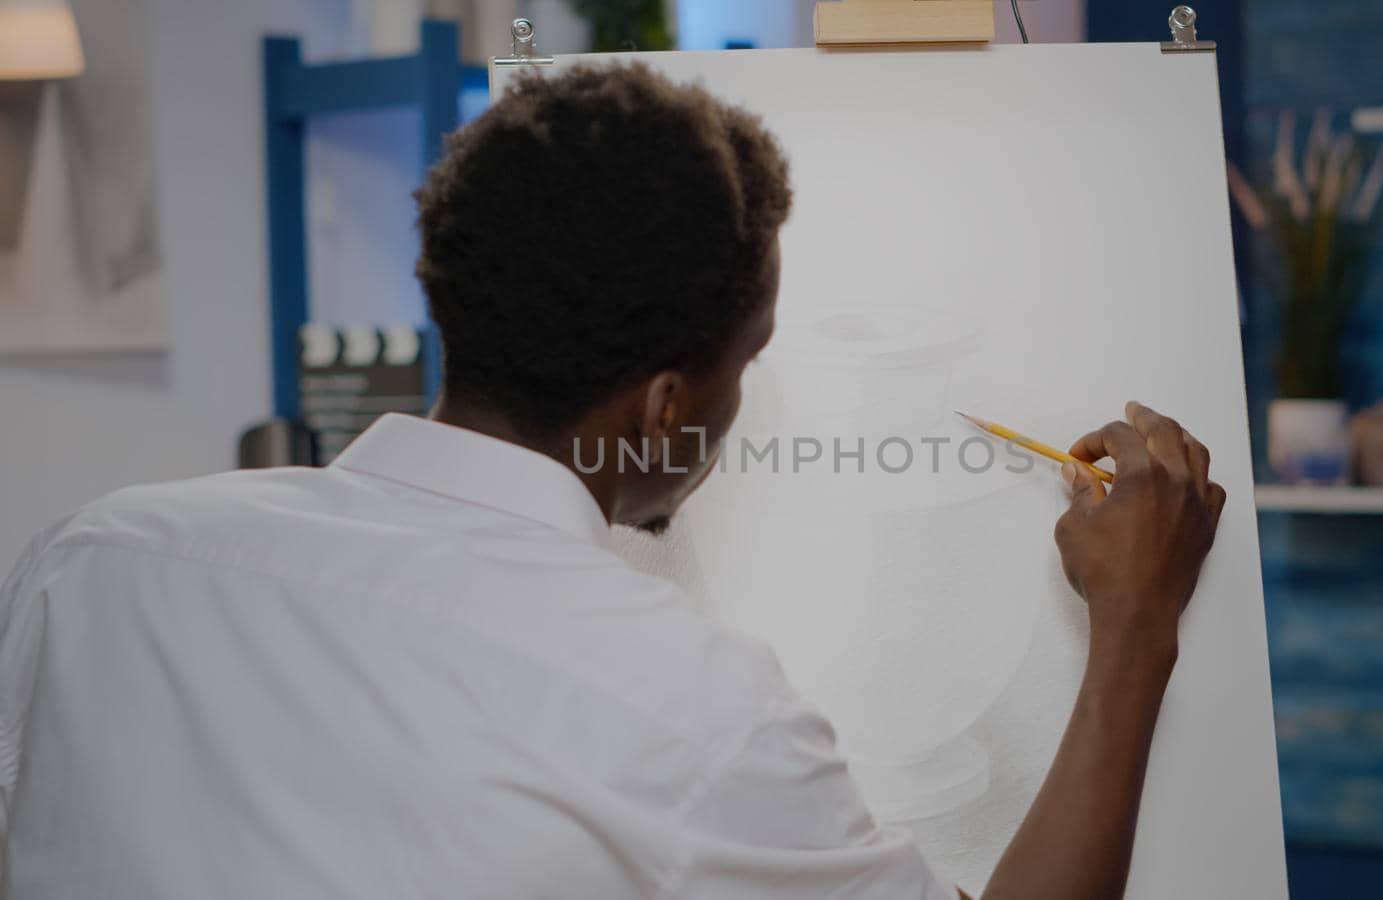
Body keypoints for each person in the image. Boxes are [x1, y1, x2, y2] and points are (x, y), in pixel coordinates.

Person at [0, 64, 1225, 899]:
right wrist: (1134, 623)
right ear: (664, 407)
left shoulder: (100, 557)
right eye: (748, 363)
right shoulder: (687, 707)